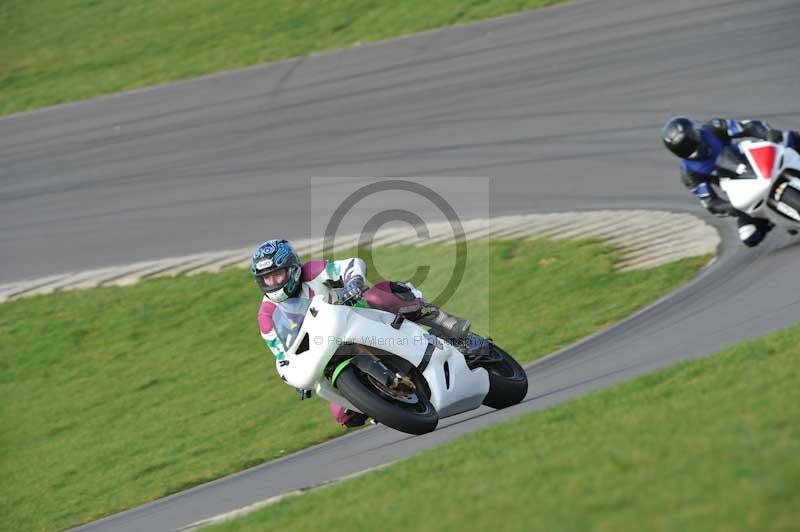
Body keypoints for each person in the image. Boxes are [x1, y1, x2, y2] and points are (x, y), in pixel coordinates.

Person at [251, 238, 471, 427]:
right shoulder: (266, 316)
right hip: (327, 346)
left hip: (361, 316)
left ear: (292, 269)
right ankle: (387, 402)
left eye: (277, 275)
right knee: (343, 415)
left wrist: (353, 281)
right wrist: (295, 378)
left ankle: (441, 320)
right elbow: (282, 355)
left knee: (380, 295)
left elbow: (350, 265)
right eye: (266, 279)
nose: (272, 283)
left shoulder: (311, 272)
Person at [661, 116, 800, 247]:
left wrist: (767, 134)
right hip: (742, 189)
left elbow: (749, 126)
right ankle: (770, 218)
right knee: (749, 236)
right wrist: (731, 208)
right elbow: (710, 202)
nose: (690, 149)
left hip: (753, 159)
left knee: (790, 137)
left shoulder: (714, 128)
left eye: (689, 142)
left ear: (694, 133)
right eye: (683, 148)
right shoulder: (689, 173)